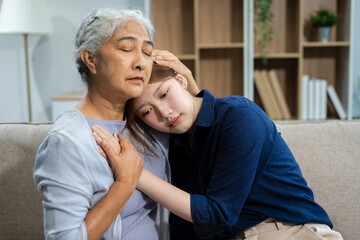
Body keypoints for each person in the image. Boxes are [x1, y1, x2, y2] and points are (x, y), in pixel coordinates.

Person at [92, 63, 344, 240]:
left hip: (290, 231)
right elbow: (185, 225)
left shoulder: (239, 117)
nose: (164, 113)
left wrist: (135, 174)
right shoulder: (178, 142)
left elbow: (217, 214)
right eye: (147, 112)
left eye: (165, 93)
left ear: (180, 80)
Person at [33, 8, 198, 240]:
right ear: (91, 59)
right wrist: (125, 183)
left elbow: (215, 140)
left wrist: (190, 82)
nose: (141, 62)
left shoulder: (147, 119)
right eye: (126, 49)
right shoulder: (66, 142)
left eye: (147, 52)